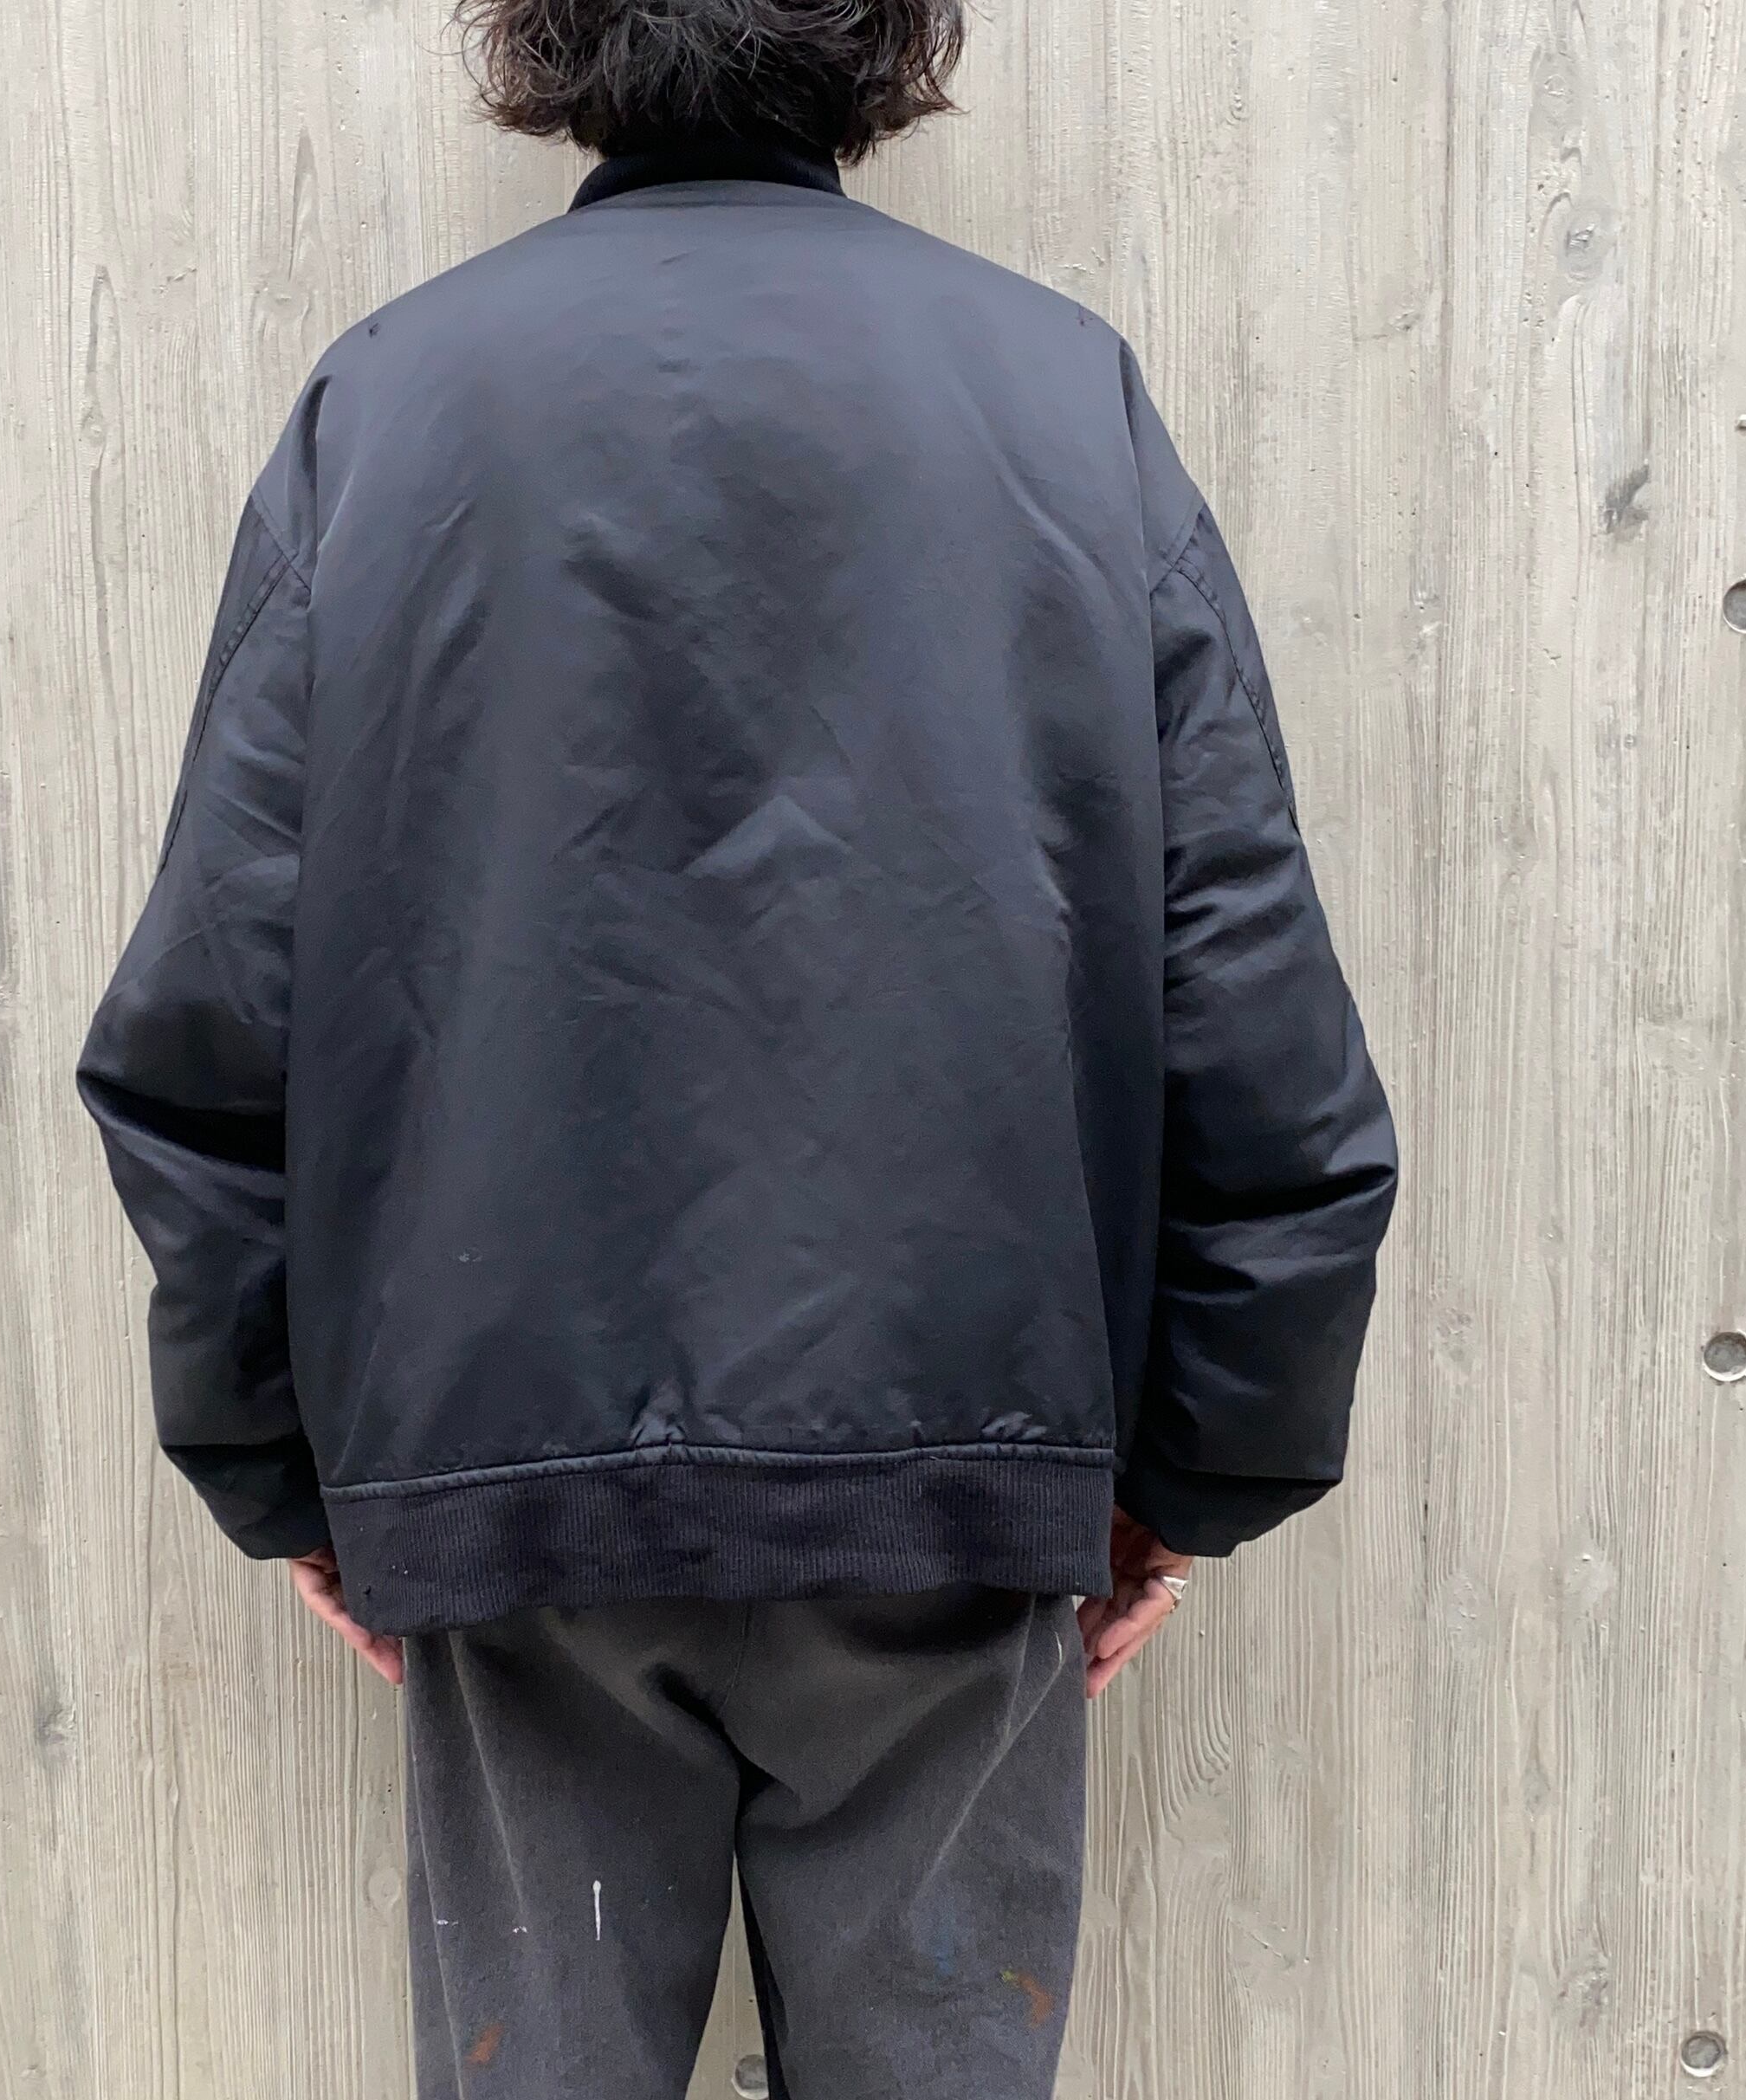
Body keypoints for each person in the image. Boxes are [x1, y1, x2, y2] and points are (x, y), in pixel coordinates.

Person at [77, 2, 1400, 2091]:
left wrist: (287, 1463)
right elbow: (1245, 994)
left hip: (515, 1480)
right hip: (955, 1464)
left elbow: (215, 1015)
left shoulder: (393, 403)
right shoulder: (1058, 401)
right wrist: (1193, 1468)